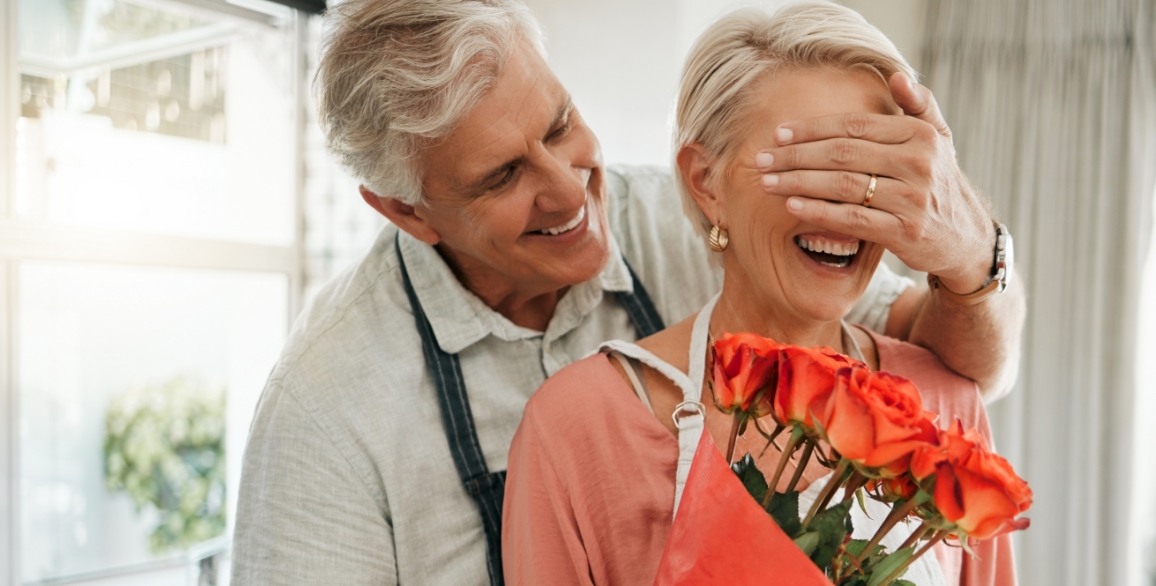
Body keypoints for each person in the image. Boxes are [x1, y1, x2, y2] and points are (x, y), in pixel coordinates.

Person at [231, 0, 1025, 584]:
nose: (568, 191)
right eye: (504, 175)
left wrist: (970, 253)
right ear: (407, 210)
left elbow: (954, 356)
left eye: (559, 123)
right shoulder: (325, 413)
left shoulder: (682, 221)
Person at [500, 4, 1016, 585]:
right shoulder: (577, 428)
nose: (844, 211)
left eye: (873, 175)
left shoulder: (948, 406)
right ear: (706, 183)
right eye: (808, 168)